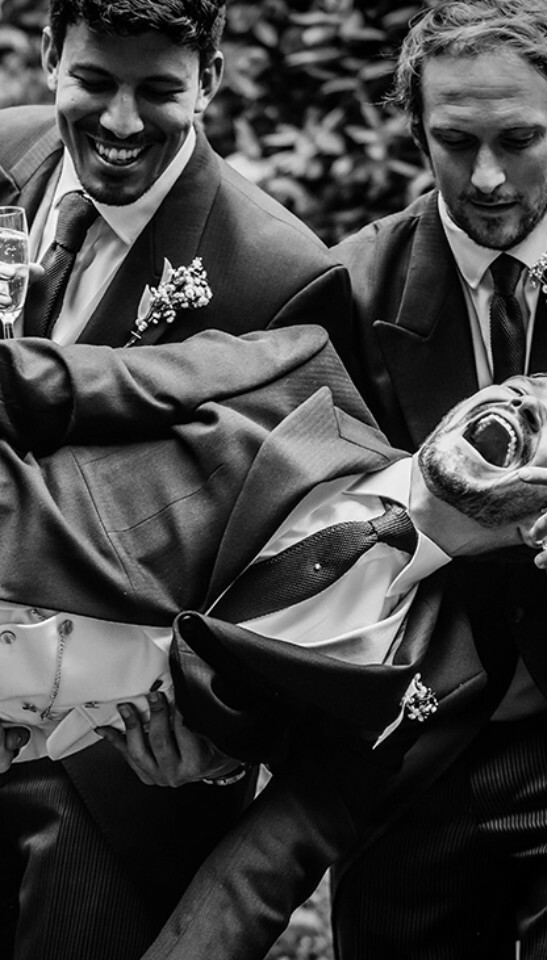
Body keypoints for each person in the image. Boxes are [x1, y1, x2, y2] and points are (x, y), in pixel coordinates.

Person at [0, 329, 547, 960]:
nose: (525, 406)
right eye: (517, 387)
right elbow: (41, 383)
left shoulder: (431, 673)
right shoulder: (298, 373)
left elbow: (268, 860)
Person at [0, 0, 353, 956]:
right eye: (94, 81)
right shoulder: (5, 154)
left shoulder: (281, 274)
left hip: (110, 776)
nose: (120, 121)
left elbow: (308, 537)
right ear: (49, 55)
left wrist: (223, 741)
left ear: (210, 80)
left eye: (158, 91)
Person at [329, 1, 547, 957]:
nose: (485, 178)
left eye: (517, 141)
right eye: (455, 142)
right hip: (414, 751)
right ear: (416, 129)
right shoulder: (346, 286)